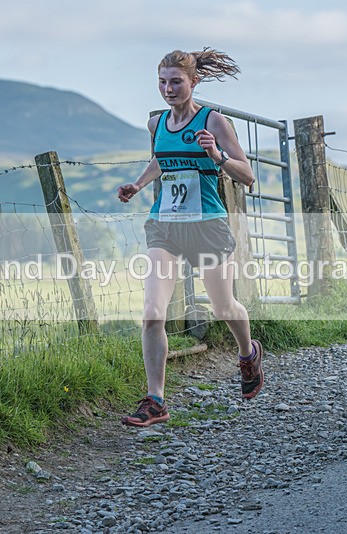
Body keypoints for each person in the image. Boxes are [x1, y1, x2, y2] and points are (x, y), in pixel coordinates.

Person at [117, 49, 264, 427]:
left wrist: (216, 155)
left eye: (176, 82)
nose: (168, 89)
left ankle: (247, 355)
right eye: (162, 82)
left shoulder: (214, 122)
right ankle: (156, 401)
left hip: (207, 226)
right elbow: (162, 159)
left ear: (193, 81)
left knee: (223, 309)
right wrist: (138, 184)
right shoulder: (157, 124)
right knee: (152, 314)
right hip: (164, 225)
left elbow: (247, 177)